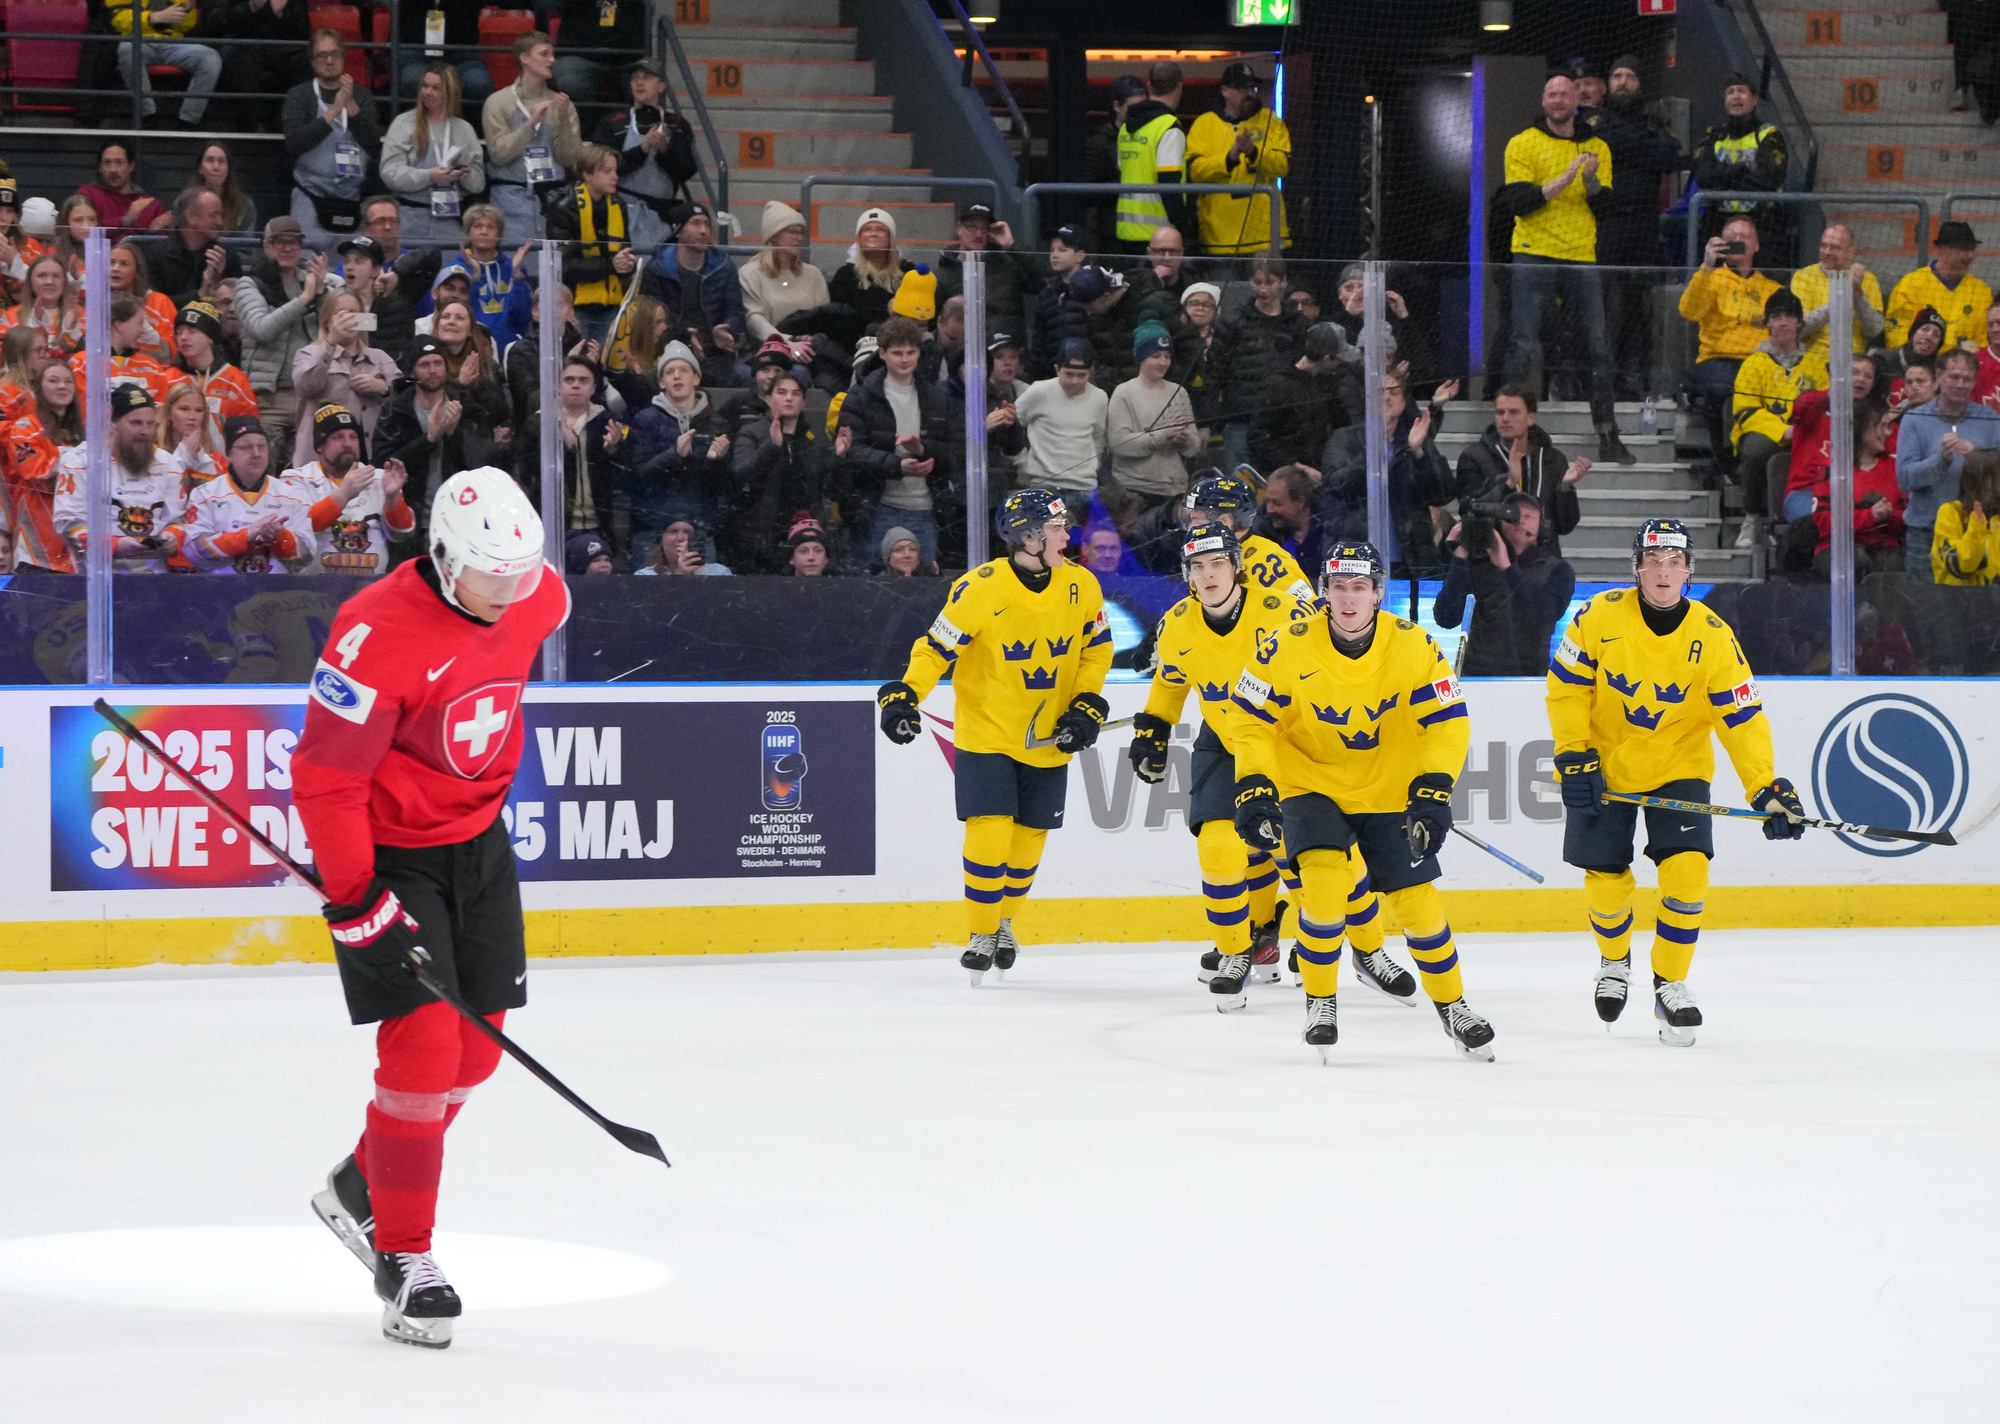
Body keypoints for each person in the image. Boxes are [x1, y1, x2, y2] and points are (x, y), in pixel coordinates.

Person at [296, 466, 565, 1351]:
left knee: (476, 1050)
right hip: (392, 855)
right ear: (445, 558)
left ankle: (361, 1182)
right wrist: (356, 899)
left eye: (522, 573)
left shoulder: (534, 593)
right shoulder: (373, 631)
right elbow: (326, 777)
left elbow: (542, 605)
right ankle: (404, 1257)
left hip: (480, 846)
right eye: (493, 575)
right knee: (422, 1049)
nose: (510, 593)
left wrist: (523, 583)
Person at [1229, 540, 1493, 1061]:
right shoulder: (1286, 645)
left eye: (1361, 588)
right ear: (1324, 593)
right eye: (1340, 588)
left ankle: (1454, 1005)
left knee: (1417, 904)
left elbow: (1447, 723)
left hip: (1387, 791)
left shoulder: (1414, 645)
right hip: (1311, 785)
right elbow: (1249, 719)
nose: (1349, 600)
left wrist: (1434, 788)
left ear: (1378, 594)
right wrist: (1255, 784)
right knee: (1325, 882)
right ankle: (1321, 1001)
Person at [1547, 518, 1803, 1044]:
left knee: (1687, 875)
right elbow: (1566, 689)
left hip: (1678, 770)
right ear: (1636, 566)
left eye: (1674, 562)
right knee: (1605, 876)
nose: (1663, 571)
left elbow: (1742, 718)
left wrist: (1766, 785)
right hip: (1606, 768)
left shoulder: (1713, 636)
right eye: (1654, 561)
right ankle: (1614, 962)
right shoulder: (1596, 617)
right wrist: (1574, 756)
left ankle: (1671, 984)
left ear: (1689, 569)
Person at [875, 489, 1111, 984]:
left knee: (1029, 836)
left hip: (1048, 737)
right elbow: (935, 648)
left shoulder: (1082, 584)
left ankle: (1003, 923)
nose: (1068, 536)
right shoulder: (980, 588)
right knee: (990, 826)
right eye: (1056, 529)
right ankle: (981, 932)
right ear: (1027, 536)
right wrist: (904, 694)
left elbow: (1096, 651)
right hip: (986, 733)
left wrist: (1086, 704)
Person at [1128, 520, 1321, 998]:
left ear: (1237, 567)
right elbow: (1172, 682)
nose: (1209, 574)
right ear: (1187, 574)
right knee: (1217, 848)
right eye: (1197, 566)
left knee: (1294, 852)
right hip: (1224, 739)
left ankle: (1327, 936)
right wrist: (1154, 727)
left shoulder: (1280, 612)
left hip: (1286, 742)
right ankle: (1238, 950)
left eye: (1218, 563)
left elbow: (1328, 666)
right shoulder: (1176, 624)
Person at [1501, 71, 1631, 466]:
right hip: (1532, 250)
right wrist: (1564, 179)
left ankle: (1608, 433)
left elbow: (1606, 207)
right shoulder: (1522, 142)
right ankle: (1515, 434)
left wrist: (1589, 182)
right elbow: (1518, 200)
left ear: (1577, 99)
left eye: (1564, 93)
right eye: (1551, 93)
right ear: (1543, 101)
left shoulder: (1598, 148)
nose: (1557, 99)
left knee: (1598, 345)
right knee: (1525, 343)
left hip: (1580, 255)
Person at [1590, 56, 1687, 395]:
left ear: (1640, 84)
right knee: (1601, 302)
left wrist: (1621, 147)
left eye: (1630, 76)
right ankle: (1602, 375)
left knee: (1639, 303)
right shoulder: (1595, 121)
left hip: (1645, 226)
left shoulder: (1654, 121)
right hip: (1606, 223)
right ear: (1607, 83)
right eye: (1617, 75)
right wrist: (1642, 149)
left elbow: (1671, 157)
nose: (1623, 82)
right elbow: (1602, 150)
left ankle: (1638, 375)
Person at [835, 315, 959, 566]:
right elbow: (852, 451)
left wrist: (924, 449)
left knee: (925, 585)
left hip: (925, 507)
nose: (905, 359)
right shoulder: (859, 398)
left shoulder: (937, 397)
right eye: (897, 353)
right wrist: (897, 465)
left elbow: (956, 451)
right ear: (882, 354)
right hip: (877, 507)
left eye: (911, 352)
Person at [1320, 370, 1456, 576]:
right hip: (1356, 559)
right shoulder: (1345, 439)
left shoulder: (1413, 441)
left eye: (1394, 392)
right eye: (1379, 391)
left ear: (1403, 403)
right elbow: (1336, 485)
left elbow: (1443, 494)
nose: (1386, 396)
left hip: (1411, 562)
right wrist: (1372, 452)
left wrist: (1420, 453)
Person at [1678, 217, 1781, 473]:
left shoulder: (1772, 288)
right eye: (1731, 236)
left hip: (1760, 360)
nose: (1738, 240)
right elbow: (1689, 312)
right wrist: (1707, 265)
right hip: (1719, 358)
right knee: (1721, 390)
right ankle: (1726, 461)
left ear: (1756, 245)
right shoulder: (1710, 277)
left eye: (1744, 236)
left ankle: (1760, 461)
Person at [1434, 492, 1575, 676]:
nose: (1520, 521)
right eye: (1512, 514)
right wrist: (1460, 558)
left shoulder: (1558, 570)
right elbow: (1445, 618)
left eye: (1529, 516)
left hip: (1529, 680)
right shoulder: (1479, 564)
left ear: (1542, 525)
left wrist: (1507, 568)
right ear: (1500, 521)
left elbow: (1546, 613)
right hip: (1477, 678)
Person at [1729, 288, 1825, 548]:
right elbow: (1745, 410)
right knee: (1756, 450)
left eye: (1789, 316)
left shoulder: (1816, 364)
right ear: (1768, 323)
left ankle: (1806, 520)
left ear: (1799, 323)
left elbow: (1825, 405)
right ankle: (1752, 516)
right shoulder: (1754, 363)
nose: (1783, 322)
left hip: (1808, 435)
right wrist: (1782, 431)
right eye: (1776, 316)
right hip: (1769, 433)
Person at [52, 385, 184, 572]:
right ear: (112, 423)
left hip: (154, 575)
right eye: (136, 423)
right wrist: (113, 545)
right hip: (96, 574)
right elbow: (68, 522)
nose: (145, 431)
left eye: (150, 424)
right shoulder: (79, 460)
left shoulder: (168, 463)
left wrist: (172, 536)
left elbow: (176, 519)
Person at [1897, 346, 2000, 581]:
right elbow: (1904, 479)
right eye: (1954, 377)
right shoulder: (1915, 419)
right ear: (1938, 378)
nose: (1960, 383)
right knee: (1928, 612)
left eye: (1967, 379)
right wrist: (1940, 460)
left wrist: (1977, 455)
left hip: (1978, 533)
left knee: (1979, 614)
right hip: (1927, 534)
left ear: (1974, 382)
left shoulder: (1989, 418)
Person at [619, 339, 733, 552]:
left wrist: (715, 461)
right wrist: (674, 454)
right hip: (652, 531)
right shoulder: (645, 420)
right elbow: (634, 479)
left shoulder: (717, 423)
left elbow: (722, 487)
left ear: (696, 377)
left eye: (684, 370)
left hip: (699, 530)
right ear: (661, 382)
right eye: (670, 372)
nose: (677, 376)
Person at [168, 414, 317, 572]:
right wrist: (247, 535)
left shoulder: (292, 495)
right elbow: (194, 550)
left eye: (262, 446)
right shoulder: (204, 495)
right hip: (220, 590)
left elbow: (308, 554)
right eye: (246, 447)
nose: (256, 453)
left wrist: (279, 537)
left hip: (277, 592)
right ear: (229, 455)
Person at [284, 401, 417, 573]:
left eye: (353, 437)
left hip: (370, 589)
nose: (348, 443)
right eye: (338, 437)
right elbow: (301, 527)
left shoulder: (378, 477)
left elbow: (403, 533)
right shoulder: (296, 478)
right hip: (314, 591)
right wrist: (344, 494)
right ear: (319, 446)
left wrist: (392, 499)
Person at [1452, 385, 1587, 551]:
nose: (1505, 418)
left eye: (1514, 412)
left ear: (1530, 418)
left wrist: (1565, 488)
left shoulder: (1553, 459)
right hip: (1493, 560)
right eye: (1500, 412)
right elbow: (1468, 510)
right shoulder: (1474, 457)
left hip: (1543, 563)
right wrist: (1508, 483)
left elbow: (1566, 526)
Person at [1209, 253, 1308, 475]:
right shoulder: (1232, 322)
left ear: (1283, 282)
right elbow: (1216, 372)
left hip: (1282, 425)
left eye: (1269, 282)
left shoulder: (1297, 324)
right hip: (1241, 420)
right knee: (1240, 493)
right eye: (1257, 282)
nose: (1262, 289)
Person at [237, 216, 327, 458]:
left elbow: (334, 329)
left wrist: (321, 293)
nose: (287, 248)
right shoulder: (249, 284)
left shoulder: (312, 282)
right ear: (266, 246)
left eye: (294, 242)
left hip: (309, 396)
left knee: (308, 475)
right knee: (262, 469)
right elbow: (262, 328)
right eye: (279, 242)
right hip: (268, 399)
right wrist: (304, 299)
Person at [725, 369, 831, 573]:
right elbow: (740, 475)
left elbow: (824, 489)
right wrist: (771, 446)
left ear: (804, 402)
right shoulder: (751, 433)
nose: (789, 398)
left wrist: (840, 456)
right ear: (768, 399)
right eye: (781, 392)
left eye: (796, 393)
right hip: (760, 539)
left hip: (802, 538)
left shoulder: (812, 439)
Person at [286, 34, 385, 250]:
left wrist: (350, 106)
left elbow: (372, 141)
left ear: (343, 57)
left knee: (351, 260)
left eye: (335, 54)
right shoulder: (299, 95)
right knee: (307, 258)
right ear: (312, 61)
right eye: (322, 55)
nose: (329, 60)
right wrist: (333, 112)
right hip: (311, 193)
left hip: (351, 197)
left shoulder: (361, 94)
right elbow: (294, 143)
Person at [1185, 61, 1291, 257]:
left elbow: (1283, 166)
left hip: (1265, 238)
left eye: (1252, 87)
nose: (1249, 93)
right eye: (1242, 88)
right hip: (1220, 240)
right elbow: (1195, 171)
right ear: (1225, 91)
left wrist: (1253, 152)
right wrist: (1230, 157)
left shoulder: (1271, 122)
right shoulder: (1204, 124)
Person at [482, 32, 580, 243]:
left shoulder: (562, 104)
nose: (552, 60)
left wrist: (563, 122)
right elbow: (498, 154)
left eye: (552, 55)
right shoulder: (498, 102)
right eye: (544, 54)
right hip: (509, 201)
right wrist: (530, 124)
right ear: (524, 58)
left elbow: (569, 159)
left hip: (553, 202)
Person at [591, 58, 696, 250]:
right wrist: (642, 149)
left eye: (646, 77)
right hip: (617, 213)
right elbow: (600, 168)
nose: (639, 83)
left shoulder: (678, 125)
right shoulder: (612, 123)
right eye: (635, 78)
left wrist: (665, 150)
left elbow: (686, 170)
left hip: (662, 217)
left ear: (661, 86)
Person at [381, 65, 488, 250]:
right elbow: (390, 173)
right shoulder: (404, 123)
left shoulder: (464, 129)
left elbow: (478, 184)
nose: (428, 92)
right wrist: (429, 176)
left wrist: (465, 175)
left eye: (435, 88)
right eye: (425, 86)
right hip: (409, 217)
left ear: (449, 92)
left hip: (449, 219)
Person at [517, 354, 623, 541]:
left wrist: (613, 449)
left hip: (599, 525)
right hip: (554, 524)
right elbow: (527, 474)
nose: (576, 385)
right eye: (569, 380)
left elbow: (620, 477)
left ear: (593, 388)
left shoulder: (607, 421)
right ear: (558, 386)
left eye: (584, 380)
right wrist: (562, 443)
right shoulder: (538, 423)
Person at [291, 289, 400, 465]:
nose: (347, 319)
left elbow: (405, 397)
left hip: (369, 457)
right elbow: (306, 386)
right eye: (340, 313)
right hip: (319, 461)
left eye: (353, 313)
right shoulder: (309, 353)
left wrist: (383, 388)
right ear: (327, 320)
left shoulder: (380, 357)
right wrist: (330, 344)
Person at [640, 201, 748, 381]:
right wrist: (683, 337)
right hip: (668, 349)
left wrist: (726, 330)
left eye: (706, 224)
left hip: (713, 350)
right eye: (696, 223)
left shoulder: (724, 267)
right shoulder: (656, 269)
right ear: (679, 231)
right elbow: (649, 318)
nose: (704, 231)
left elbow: (736, 312)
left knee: (744, 375)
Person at [545, 144, 638, 345]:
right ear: (587, 174)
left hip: (611, 303)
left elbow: (624, 251)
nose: (615, 176)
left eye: (615, 170)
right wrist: (611, 265)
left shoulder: (618, 205)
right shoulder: (562, 207)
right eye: (607, 171)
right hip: (574, 306)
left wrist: (626, 265)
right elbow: (563, 266)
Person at [1690, 71, 1788, 251]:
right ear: (1725, 101)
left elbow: (1770, 178)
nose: (1736, 96)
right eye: (1730, 92)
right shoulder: (1713, 136)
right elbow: (1703, 177)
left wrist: (1723, 178)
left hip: (1762, 224)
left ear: (1754, 99)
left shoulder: (1768, 134)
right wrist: (1741, 171)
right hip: (1718, 223)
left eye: (1741, 91)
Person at [1107, 321, 1200, 509]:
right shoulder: (1124, 392)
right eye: (1155, 356)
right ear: (1140, 357)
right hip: (1136, 489)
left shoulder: (1178, 391)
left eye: (1167, 356)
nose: (1163, 362)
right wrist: (1163, 436)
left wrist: (1183, 439)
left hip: (1174, 490)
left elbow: (1194, 446)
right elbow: (1119, 444)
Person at [1, 358, 82, 572]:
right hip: (36, 550)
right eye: (53, 381)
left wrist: (65, 459)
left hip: (79, 548)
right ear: (39, 387)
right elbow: (38, 475)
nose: (62, 386)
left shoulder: (84, 432)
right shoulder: (24, 427)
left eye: (68, 381)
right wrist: (78, 462)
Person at [1014, 338, 1108, 521]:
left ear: (1091, 372)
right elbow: (1013, 424)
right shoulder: (1039, 391)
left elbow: (1098, 437)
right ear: (1057, 369)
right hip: (1045, 485)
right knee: (1044, 545)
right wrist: (1022, 462)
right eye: (1069, 374)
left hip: (1084, 486)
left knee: (1081, 546)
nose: (1075, 381)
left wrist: (1092, 465)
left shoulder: (1099, 397)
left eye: (1082, 375)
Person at [1809, 402, 1906, 579]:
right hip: (1838, 547)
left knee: (1895, 565)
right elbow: (1823, 520)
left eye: (1889, 427)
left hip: (1886, 548)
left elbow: (1908, 517)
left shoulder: (1896, 468)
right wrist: (1870, 516)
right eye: (1882, 426)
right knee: (1853, 563)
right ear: (1862, 429)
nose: (1887, 433)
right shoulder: (1831, 469)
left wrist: (1890, 516)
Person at [1114, 60, 1189, 254]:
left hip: (1126, 231)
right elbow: (1168, 183)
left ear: (1149, 86)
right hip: (1160, 236)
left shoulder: (1125, 128)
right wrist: (1183, 225)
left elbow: (1124, 172)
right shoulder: (1168, 127)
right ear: (1180, 88)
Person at [113, 0, 223, 132]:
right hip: (139, 40)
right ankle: (147, 116)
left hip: (174, 42)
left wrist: (187, 11)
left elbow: (187, 25)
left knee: (210, 57)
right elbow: (116, 19)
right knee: (126, 49)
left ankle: (188, 123)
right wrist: (152, 18)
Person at [1884, 220, 1993, 352]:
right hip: (1919, 365)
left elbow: (1982, 341)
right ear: (1943, 249)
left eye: (1972, 249)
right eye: (1964, 249)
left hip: (1963, 367)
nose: (1970, 255)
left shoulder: (1981, 291)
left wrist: (1962, 359)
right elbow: (1897, 335)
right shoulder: (1910, 284)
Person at [932, 203, 1035, 339]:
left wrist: (1011, 246)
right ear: (958, 229)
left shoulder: (1007, 264)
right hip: (962, 351)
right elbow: (935, 323)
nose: (979, 234)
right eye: (972, 226)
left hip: (1005, 350)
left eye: (985, 228)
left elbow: (1038, 284)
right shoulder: (942, 275)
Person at [1790, 224, 1883, 363]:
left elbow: (1875, 330)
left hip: (1853, 363)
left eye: (1835, 247)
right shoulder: (1804, 276)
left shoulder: (1867, 279)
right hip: (1812, 362)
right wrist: (1843, 296)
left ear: (1851, 252)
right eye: (1823, 246)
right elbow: (1798, 328)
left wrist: (1858, 293)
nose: (1826, 252)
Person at [175, 298, 259, 450]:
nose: (183, 337)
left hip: (220, 463)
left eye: (192, 331)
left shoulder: (235, 379)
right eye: (179, 332)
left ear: (210, 338)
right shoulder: (168, 378)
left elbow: (248, 430)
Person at [740, 203, 829, 345]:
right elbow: (754, 319)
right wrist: (786, 341)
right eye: (792, 232)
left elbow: (824, 319)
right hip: (767, 350)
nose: (799, 238)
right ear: (774, 236)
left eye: (801, 232)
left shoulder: (814, 275)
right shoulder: (750, 274)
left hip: (809, 348)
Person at [216, 0, 310, 131]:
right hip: (239, 41)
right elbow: (214, 23)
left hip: (279, 44)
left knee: (307, 60)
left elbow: (304, 32)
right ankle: (248, 130)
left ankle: (286, 125)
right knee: (243, 60)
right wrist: (250, 7)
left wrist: (281, 14)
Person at [453, 206, 534, 352]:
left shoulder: (513, 267)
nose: (484, 232)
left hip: (511, 351)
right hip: (469, 349)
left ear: (499, 234)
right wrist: (475, 277)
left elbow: (523, 316)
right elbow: (459, 312)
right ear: (468, 233)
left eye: (491, 227)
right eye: (478, 226)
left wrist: (516, 274)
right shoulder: (456, 270)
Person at [147, 189, 243, 312]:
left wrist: (219, 284)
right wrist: (200, 294)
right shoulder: (156, 255)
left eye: (220, 215)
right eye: (213, 215)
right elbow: (153, 307)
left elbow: (239, 305)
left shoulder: (227, 255)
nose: (220, 222)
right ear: (191, 217)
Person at [550, 0, 649, 117]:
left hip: (627, 57)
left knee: (648, 82)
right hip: (580, 54)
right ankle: (596, 125)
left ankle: (628, 125)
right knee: (570, 79)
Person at [393, 0, 492, 110]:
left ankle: (462, 124)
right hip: (414, 50)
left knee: (478, 83)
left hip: (462, 52)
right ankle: (418, 123)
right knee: (412, 79)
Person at [829, 208, 914, 330]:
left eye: (880, 229)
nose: (873, 233)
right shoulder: (845, 275)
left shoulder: (908, 272)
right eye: (867, 229)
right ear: (859, 237)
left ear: (891, 237)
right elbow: (839, 319)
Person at [1931, 445, 2000, 583]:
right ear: (1979, 482)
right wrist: (1977, 527)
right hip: (1958, 600)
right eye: (1997, 478)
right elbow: (1960, 566)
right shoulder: (1950, 513)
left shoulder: (1996, 518)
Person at [78, 141, 169, 240]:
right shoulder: (88, 195)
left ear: (131, 166)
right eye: (107, 163)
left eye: (119, 162)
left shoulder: (151, 205)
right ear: (100, 168)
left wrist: (152, 233)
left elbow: (160, 248)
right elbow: (85, 232)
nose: (113, 169)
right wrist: (125, 220)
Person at [110, 242, 180, 362]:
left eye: (124, 264)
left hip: (152, 371)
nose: (115, 268)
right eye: (111, 262)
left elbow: (172, 351)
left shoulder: (159, 302)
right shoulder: (97, 302)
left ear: (137, 271)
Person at [4, 254, 82, 359]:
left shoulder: (79, 315)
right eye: (42, 276)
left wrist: (70, 330)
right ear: (30, 283)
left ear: (64, 283)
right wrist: (35, 323)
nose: (49, 281)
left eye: (56, 276)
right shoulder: (11, 317)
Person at [185, 141, 258, 235]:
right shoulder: (185, 203)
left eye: (221, 161)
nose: (216, 167)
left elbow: (245, 247)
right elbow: (180, 242)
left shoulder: (245, 205)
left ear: (228, 169)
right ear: (200, 168)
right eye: (210, 160)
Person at [635, 514, 731, 576]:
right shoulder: (645, 576)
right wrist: (680, 575)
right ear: (661, 540)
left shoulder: (720, 573)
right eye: (673, 532)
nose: (680, 537)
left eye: (687, 532)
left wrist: (700, 573)